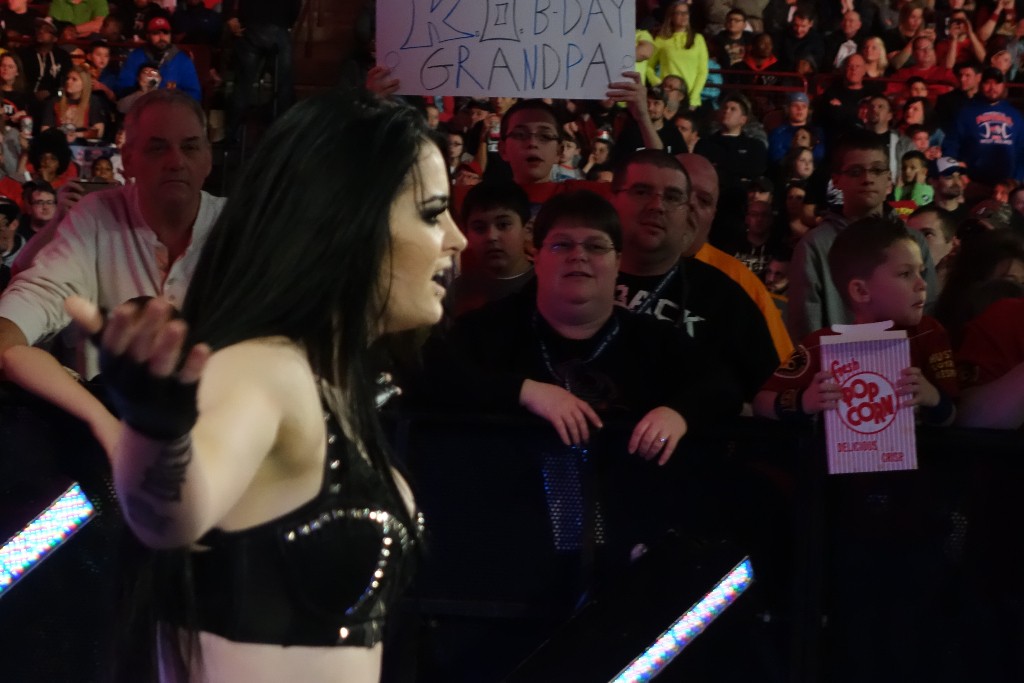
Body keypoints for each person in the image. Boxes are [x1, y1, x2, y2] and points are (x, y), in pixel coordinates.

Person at [49, 91, 464, 682]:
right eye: (432, 213)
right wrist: (156, 426)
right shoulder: (265, 370)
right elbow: (171, 516)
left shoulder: (331, 383)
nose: (456, 239)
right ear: (346, 221)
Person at [423, 189, 738, 458]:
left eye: (596, 246)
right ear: (537, 256)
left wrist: (678, 414)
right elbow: (427, 375)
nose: (579, 256)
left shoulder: (653, 341)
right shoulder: (488, 329)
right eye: (562, 245)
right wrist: (524, 391)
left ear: (618, 262)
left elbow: (723, 387)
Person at [0, 91, 224, 465]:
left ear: (207, 158)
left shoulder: (239, 228)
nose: (176, 161)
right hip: (105, 458)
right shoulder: (96, 216)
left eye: (189, 146)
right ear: (129, 159)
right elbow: (38, 294)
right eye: (157, 148)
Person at [611, 149, 782, 404]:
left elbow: (773, 395)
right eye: (643, 191)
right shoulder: (580, 270)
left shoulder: (733, 294)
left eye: (674, 197)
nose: (658, 206)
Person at [755, 216, 958, 425]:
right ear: (861, 291)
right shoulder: (821, 344)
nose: (922, 284)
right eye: (905, 274)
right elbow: (761, 403)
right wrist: (805, 401)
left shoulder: (928, 334)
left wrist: (934, 399)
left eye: (921, 272)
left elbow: (955, 416)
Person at [787, 131, 939, 340]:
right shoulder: (815, 245)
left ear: (889, 178)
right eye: (856, 172)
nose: (867, 179)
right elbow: (805, 326)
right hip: (839, 358)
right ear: (836, 180)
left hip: (907, 356)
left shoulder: (913, 240)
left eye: (877, 170)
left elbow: (928, 309)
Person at [447, 181, 534, 317]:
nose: (491, 236)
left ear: (527, 230)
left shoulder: (548, 285)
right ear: (466, 234)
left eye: (503, 225)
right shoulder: (456, 292)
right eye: (479, 228)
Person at [944, 67, 1024, 189]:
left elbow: (1022, 150)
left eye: (997, 83)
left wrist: (1015, 180)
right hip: (972, 183)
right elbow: (951, 146)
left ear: (1003, 85)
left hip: (1007, 186)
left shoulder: (1015, 115)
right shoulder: (965, 112)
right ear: (980, 84)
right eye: (988, 83)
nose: (992, 88)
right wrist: (957, 173)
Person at [117, 16, 202, 102]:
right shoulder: (136, 57)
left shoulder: (182, 60)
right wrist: (141, 91)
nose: (162, 37)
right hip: (142, 105)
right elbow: (123, 88)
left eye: (165, 33)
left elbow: (194, 94)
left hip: (172, 107)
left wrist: (174, 99)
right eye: (156, 33)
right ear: (148, 36)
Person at [649, 0, 709, 110]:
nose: (684, 16)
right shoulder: (661, 39)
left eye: (686, 13)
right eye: (679, 13)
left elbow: (703, 71)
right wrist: (658, 85)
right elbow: (648, 66)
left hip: (690, 97)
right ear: (671, 16)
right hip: (667, 97)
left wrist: (694, 97)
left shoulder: (698, 39)